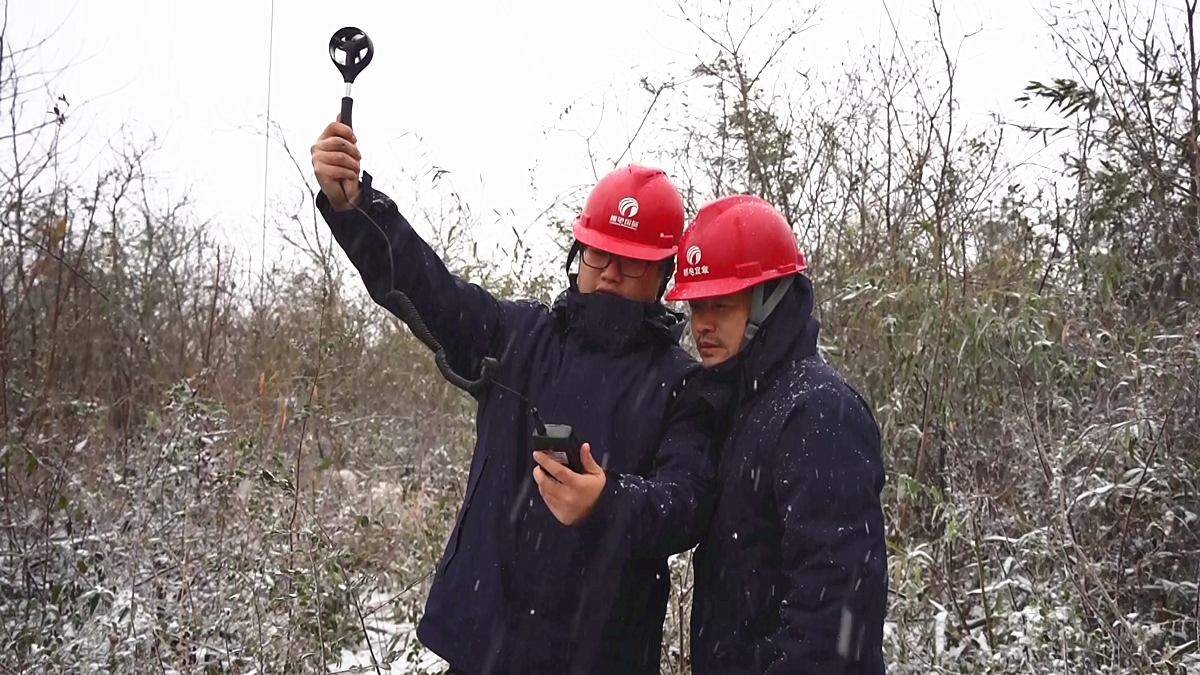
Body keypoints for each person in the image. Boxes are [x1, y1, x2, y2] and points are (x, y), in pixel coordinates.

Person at [310, 118, 719, 675]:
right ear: (579, 252)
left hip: (600, 657)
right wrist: (355, 207)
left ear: (664, 272)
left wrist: (608, 503)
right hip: (485, 650)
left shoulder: (682, 385)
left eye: (634, 260)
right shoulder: (518, 335)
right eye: (599, 253)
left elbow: (688, 502)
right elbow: (428, 288)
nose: (611, 273)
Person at [664, 194, 888, 674]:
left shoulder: (818, 413)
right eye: (696, 306)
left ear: (770, 299)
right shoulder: (741, 408)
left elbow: (836, 618)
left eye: (721, 304)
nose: (701, 324)